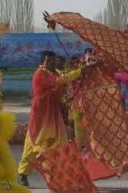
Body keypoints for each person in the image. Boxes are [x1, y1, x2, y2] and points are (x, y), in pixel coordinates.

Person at [17, 51, 80, 181]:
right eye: (48, 61)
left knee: (61, 143)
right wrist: (79, 71)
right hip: (40, 115)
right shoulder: (40, 74)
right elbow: (59, 81)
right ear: (43, 62)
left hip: (54, 114)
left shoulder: (55, 74)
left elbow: (62, 89)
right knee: (33, 144)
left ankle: (61, 175)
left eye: (53, 60)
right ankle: (23, 173)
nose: (51, 63)